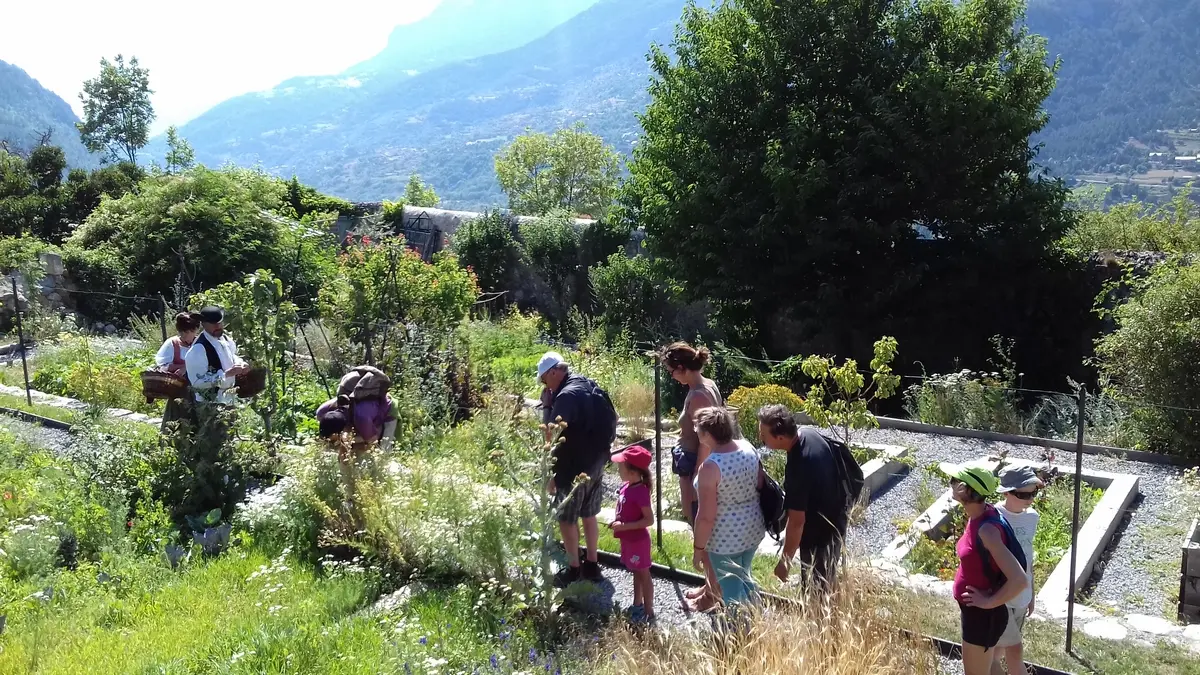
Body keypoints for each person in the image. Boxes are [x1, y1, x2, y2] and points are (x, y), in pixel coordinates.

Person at [940, 461, 1030, 675]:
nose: (950, 484)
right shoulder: (981, 515)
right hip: (979, 614)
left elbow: (1019, 580)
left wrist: (989, 602)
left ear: (967, 489)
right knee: (989, 668)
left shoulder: (987, 530)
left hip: (982, 617)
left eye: (954, 481)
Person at [538, 351, 619, 587]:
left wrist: (546, 406)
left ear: (554, 372)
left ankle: (574, 569)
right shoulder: (588, 384)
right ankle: (592, 564)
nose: (545, 384)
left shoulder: (565, 396)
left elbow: (550, 434)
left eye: (544, 379)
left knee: (566, 518)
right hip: (597, 461)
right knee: (589, 514)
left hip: (572, 466)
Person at [757, 404, 846, 593]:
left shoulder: (799, 468)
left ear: (780, 438)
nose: (760, 439)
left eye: (764, 436)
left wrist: (785, 563)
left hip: (820, 539)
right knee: (828, 581)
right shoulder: (808, 433)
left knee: (818, 594)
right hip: (837, 520)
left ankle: (824, 620)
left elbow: (796, 522)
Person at [690, 406, 766, 612]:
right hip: (753, 526)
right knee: (744, 574)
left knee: (731, 589)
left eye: (697, 427)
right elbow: (759, 483)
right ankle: (758, 618)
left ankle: (738, 635)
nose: (695, 430)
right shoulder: (748, 447)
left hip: (726, 537)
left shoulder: (710, 468)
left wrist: (698, 549)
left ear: (707, 434)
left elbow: (706, 516)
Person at [662, 341, 722, 526]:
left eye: (671, 371)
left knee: (695, 517)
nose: (671, 376)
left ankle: (701, 554)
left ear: (681, 368)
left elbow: (705, 440)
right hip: (691, 461)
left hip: (693, 463)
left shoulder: (698, 396)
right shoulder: (708, 384)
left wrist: (698, 473)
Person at [992, 466, 1042, 675]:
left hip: (1022, 594)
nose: (1029, 499)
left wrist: (1032, 592)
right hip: (1000, 593)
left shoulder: (1032, 517)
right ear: (1006, 492)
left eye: (1034, 493)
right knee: (1012, 648)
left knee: (1003, 647)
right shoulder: (994, 515)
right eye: (1023, 494)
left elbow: (1028, 556)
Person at [609, 444, 655, 624]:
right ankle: (637, 604)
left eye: (621, 466)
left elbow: (649, 520)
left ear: (633, 471)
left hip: (638, 541)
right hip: (629, 539)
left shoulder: (641, 492)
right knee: (636, 573)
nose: (618, 469)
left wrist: (625, 526)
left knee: (644, 575)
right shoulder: (627, 486)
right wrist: (617, 522)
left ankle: (648, 611)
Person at [184, 306, 249, 405]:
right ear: (203, 324)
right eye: (213, 324)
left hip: (230, 398)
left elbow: (231, 356)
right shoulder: (198, 349)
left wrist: (241, 364)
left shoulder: (225, 339)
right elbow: (197, 382)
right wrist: (226, 375)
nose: (218, 326)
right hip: (210, 404)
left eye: (219, 322)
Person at [154, 312, 201, 376]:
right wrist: (184, 367)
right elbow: (162, 367)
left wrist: (186, 368)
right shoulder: (172, 343)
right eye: (181, 332)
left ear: (196, 330)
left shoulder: (201, 345)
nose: (183, 335)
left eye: (186, 332)